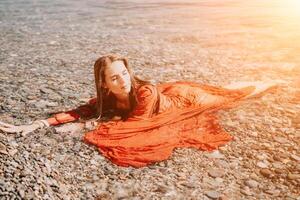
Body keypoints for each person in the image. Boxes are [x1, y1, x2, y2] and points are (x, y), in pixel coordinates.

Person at [0, 54, 278, 167]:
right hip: (171, 97)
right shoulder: (107, 98)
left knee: (231, 96)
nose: (123, 81)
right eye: (115, 77)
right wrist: (38, 124)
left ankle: (269, 82)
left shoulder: (143, 91)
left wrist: (87, 127)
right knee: (225, 90)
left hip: (186, 100)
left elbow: (136, 125)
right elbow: (80, 110)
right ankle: (260, 81)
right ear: (105, 84)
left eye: (124, 74)